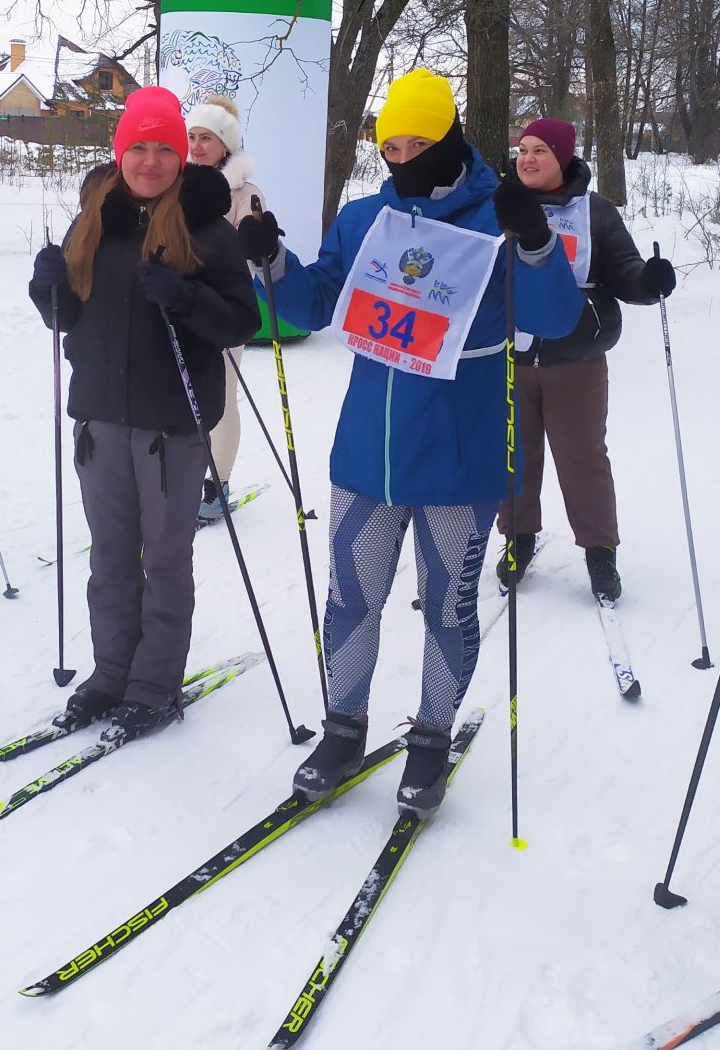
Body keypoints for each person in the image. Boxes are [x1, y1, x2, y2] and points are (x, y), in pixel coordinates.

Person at [238, 69, 582, 816]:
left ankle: (431, 737)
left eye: (418, 143)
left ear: (450, 137)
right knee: (352, 597)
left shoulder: (496, 215)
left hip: (459, 450)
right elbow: (313, 302)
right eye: (390, 144)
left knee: (447, 606)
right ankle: (343, 726)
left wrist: (532, 240)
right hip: (368, 450)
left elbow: (555, 320)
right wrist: (271, 260)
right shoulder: (367, 219)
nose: (402, 157)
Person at [29, 86, 262, 740]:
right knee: (109, 558)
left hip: (171, 425)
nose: (151, 161)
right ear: (120, 151)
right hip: (101, 417)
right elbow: (66, 317)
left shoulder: (207, 229)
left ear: (182, 156)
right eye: (140, 148)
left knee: (163, 559)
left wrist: (185, 295)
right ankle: (110, 675)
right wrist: (46, 290)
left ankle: (155, 684)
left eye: (165, 148)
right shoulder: (93, 219)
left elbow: (242, 319)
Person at [495, 117, 676, 599]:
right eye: (523, 150)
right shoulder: (501, 207)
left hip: (575, 355)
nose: (528, 159)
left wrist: (647, 282)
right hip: (509, 355)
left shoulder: (595, 211)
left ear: (564, 157)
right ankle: (518, 537)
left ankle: (600, 552)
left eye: (540, 151)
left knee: (582, 458)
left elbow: (623, 269)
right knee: (515, 453)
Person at [184, 94, 265, 523]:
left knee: (220, 399)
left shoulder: (245, 193)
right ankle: (175, 476)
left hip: (222, 315)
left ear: (226, 146)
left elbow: (248, 260)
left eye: (206, 139)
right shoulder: (173, 186)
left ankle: (218, 481)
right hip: (178, 313)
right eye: (192, 137)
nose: (196, 146)